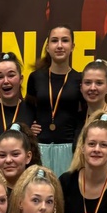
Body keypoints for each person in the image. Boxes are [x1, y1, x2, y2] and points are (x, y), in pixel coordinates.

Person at [26, 25, 84, 175]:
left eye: (65, 40)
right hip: (40, 147)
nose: (59, 45)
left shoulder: (80, 79)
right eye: (54, 40)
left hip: (69, 148)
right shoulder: (36, 77)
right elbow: (27, 108)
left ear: (72, 46)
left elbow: (88, 111)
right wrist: (29, 127)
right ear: (47, 47)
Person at [0, 122, 41, 194]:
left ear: (28, 157)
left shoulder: (39, 189)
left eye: (15, 154)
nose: (8, 160)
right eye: (2, 155)